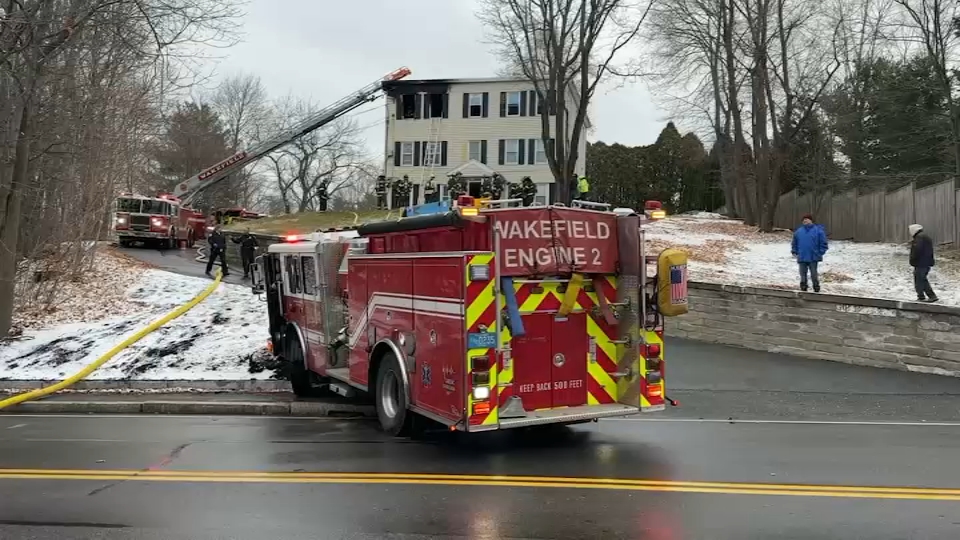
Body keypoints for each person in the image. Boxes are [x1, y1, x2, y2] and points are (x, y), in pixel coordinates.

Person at [791, 213, 828, 292]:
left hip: (813, 257)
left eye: (807, 219)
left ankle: (816, 288)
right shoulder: (799, 231)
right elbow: (794, 243)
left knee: (814, 274)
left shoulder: (818, 231)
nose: (805, 221)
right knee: (802, 275)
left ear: (811, 220)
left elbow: (824, 244)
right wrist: (794, 251)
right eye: (803, 220)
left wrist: (819, 253)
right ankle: (803, 288)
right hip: (802, 257)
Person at [908, 223, 938, 303]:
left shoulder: (919, 238)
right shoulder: (923, 237)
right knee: (921, 279)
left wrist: (913, 260)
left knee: (920, 279)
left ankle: (928, 296)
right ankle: (922, 296)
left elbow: (917, 250)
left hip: (921, 262)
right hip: (925, 262)